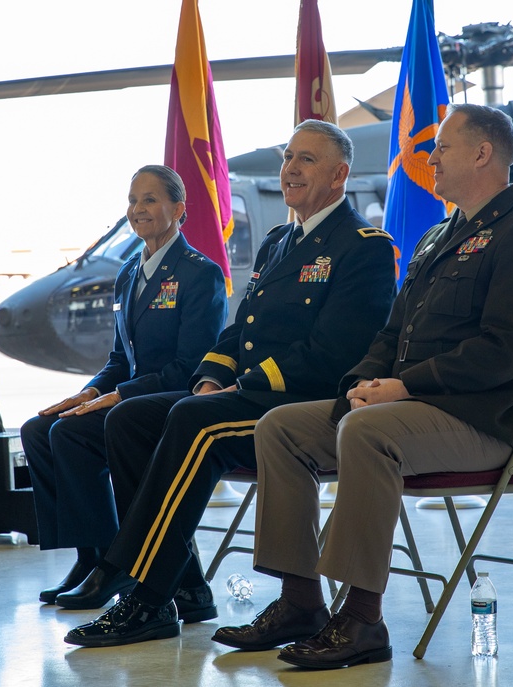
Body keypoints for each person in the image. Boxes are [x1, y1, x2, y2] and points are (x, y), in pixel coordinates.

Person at [211, 103, 513, 669]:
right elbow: (391, 332)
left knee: (365, 432)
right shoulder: (439, 236)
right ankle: (300, 601)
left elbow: (504, 350)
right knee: (281, 428)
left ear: (483, 154)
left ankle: (362, 619)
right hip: (406, 410)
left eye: (444, 148)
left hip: (482, 423)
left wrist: (403, 388)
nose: (430, 158)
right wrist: (363, 383)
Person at [59, 119, 397, 647]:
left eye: (306, 159)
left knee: (193, 422)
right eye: (288, 157)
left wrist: (243, 383)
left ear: (340, 175)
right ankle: (185, 586)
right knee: (129, 418)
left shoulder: (364, 246)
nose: (290, 168)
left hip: (306, 403)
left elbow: (336, 352)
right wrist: (213, 374)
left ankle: (144, 597)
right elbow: (240, 328)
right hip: (250, 394)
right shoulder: (279, 242)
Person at [20, 164, 227, 605]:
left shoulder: (198, 273)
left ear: (179, 208)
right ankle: (91, 554)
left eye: (150, 199)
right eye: (132, 201)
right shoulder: (129, 273)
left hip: (170, 400)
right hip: (125, 398)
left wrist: (120, 396)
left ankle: (116, 564)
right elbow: (119, 359)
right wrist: (92, 391)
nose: (137, 209)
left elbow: (193, 365)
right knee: (40, 429)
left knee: (71, 432)